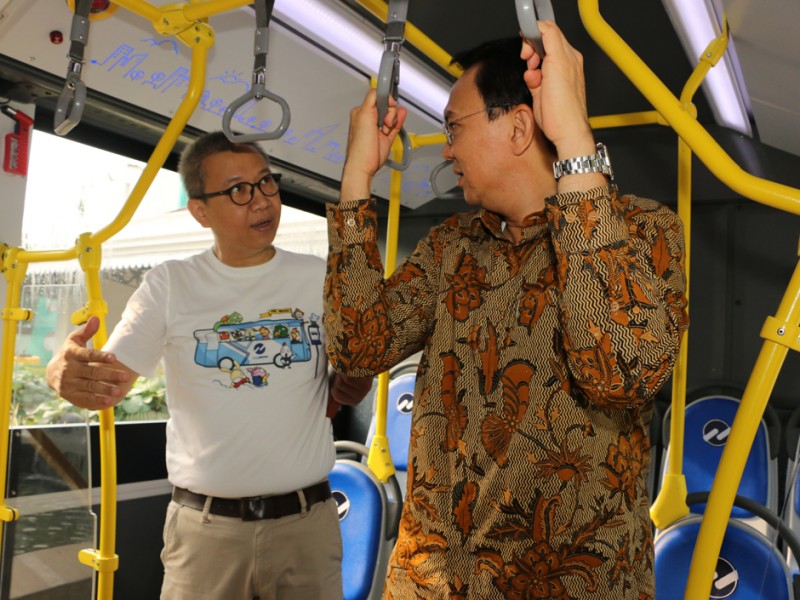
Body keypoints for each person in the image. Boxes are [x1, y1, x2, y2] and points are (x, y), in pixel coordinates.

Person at [323, 22, 688, 600]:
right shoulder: (451, 247)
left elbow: (621, 373)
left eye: (454, 127)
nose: (447, 148)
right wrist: (355, 179)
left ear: (518, 126)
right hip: (433, 583)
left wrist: (574, 141)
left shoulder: (642, 230)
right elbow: (356, 348)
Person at [46, 131, 373, 600]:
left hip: (307, 529)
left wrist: (347, 386)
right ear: (201, 211)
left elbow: (356, 363)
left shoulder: (318, 277)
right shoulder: (171, 285)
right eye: (238, 190)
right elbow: (107, 384)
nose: (261, 200)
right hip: (206, 534)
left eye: (266, 182)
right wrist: (61, 372)